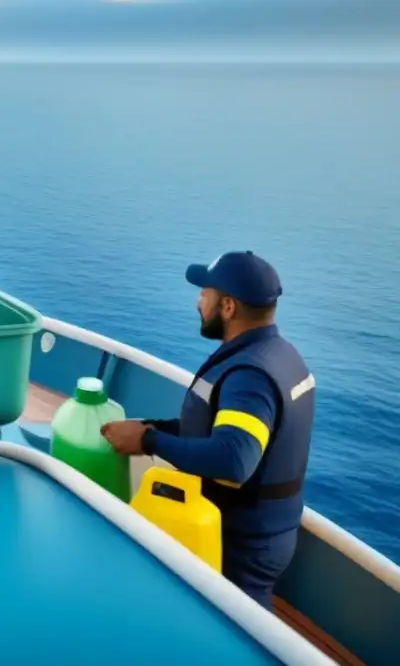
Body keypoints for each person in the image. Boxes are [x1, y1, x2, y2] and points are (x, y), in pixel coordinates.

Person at [101, 251, 316, 611]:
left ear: (228, 307)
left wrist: (147, 440)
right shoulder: (279, 354)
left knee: (239, 632)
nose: (198, 301)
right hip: (264, 530)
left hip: (242, 540)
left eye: (205, 293)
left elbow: (233, 460)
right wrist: (152, 428)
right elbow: (216, 430)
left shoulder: (250, 376)